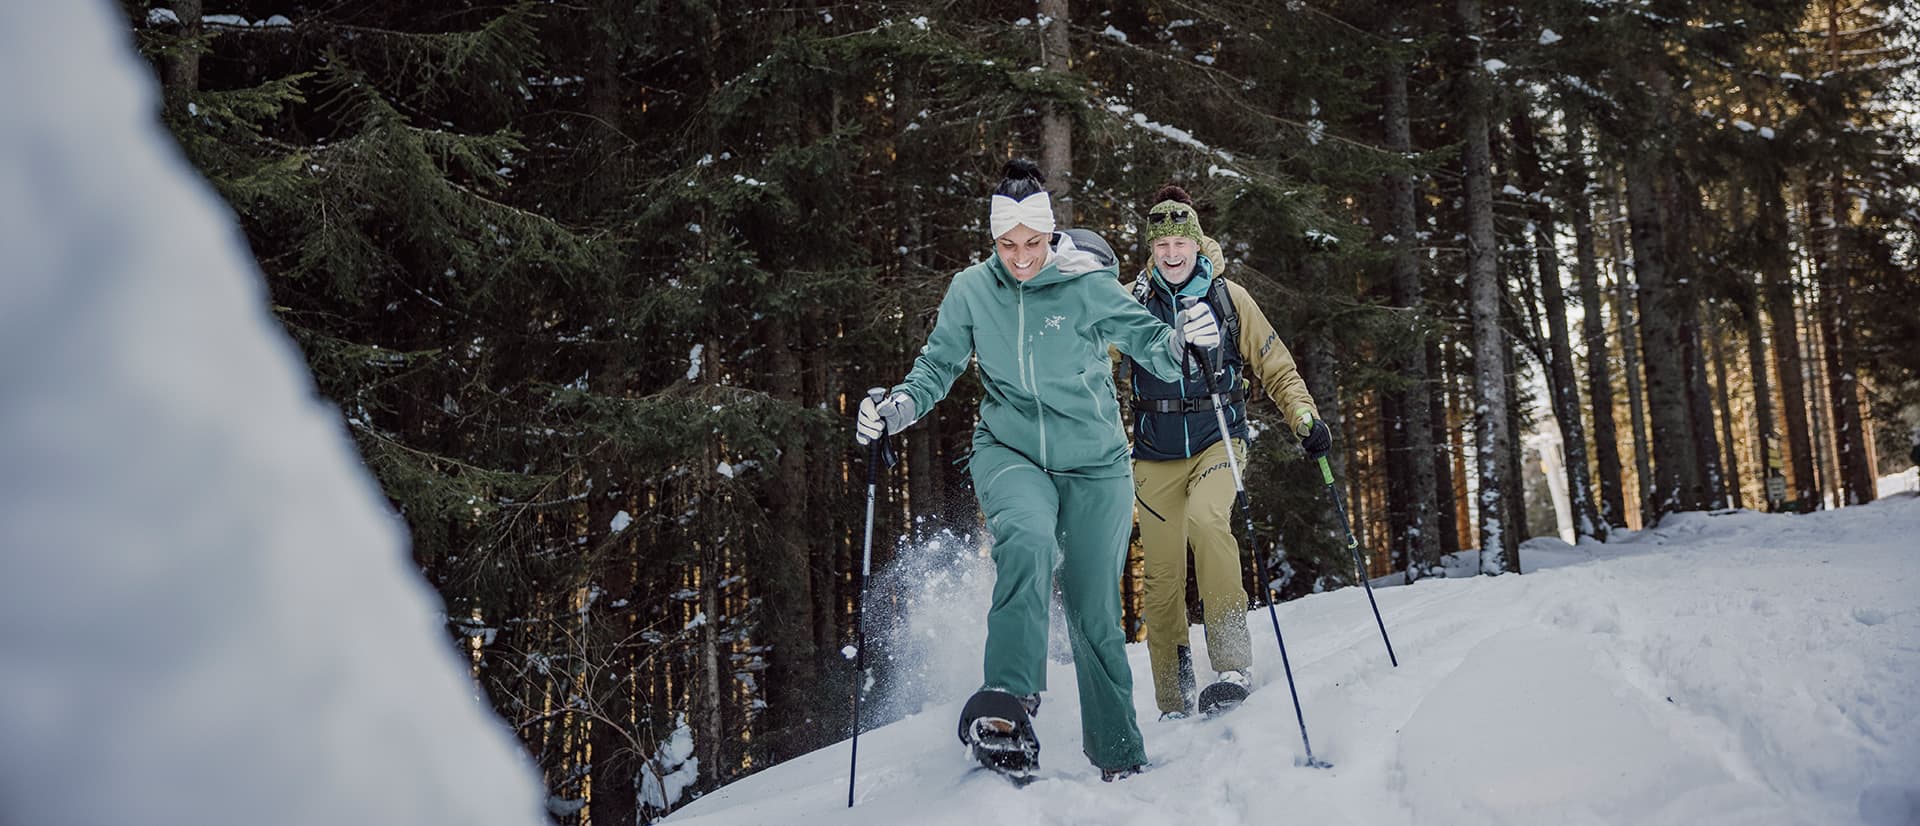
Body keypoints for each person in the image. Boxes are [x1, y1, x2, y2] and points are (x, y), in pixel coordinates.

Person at [855, 159, 1220, 781]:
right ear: (992, 240)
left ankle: (1118, 754)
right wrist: (896, 408)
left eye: (1033, 242)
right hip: (1010, 449)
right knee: (1023, 538)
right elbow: (936, 367)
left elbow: (1149, 340)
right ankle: (1010, 702)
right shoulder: (972, 289)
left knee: (1093, 608)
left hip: (1095, 463)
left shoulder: (1085, 284)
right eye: (1007, 244)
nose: (1020, 257)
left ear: (1051, 237)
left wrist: (1190, 340)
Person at [1119, 185, 1330, 720]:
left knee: (1209, 522)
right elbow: (1092, 358)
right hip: (1152, 451)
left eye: (1179, 242)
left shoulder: (1229, 297)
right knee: (1162, 576)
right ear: (1152, 247)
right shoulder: (1131, 300)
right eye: (1161, 243)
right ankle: (1173, 695)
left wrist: (1305, 417)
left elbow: (1274, 365)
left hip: (1218, 438)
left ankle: (1232, 664)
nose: (1171, 253)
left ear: (1196, 244)